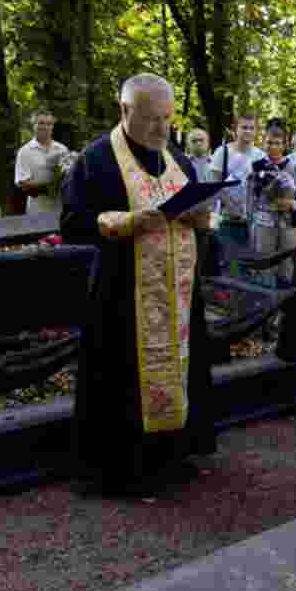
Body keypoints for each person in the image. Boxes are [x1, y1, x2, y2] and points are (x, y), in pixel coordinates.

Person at [60, 73, 217, 495]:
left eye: (168, 118)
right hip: (121, 293)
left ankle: (173, 455)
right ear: (125, 111)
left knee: (179, 370)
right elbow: (72, 223)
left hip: (178, 293)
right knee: (122, 378)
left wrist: (202, 220)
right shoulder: (96, 160)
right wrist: (126, 222)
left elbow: (197, 213)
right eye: (151, 119)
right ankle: (121, 470)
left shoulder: (177, 158)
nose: (162, 129)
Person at [247, 119, 296, 286]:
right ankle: (263, 303)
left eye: (277, 143)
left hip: (288, 225)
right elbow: (250, 197)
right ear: (263, 142)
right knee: (263, 265)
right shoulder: (256, 166)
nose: (273, 147)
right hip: (263, 223)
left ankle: (286, 305)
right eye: (269, 143)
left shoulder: (294, 167)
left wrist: (292, 204)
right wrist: (251, 222)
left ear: (284, 144)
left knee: (287, 266)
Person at [211, 114, 266, 247]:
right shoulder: (222, 152)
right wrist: (233, 208)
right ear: (236, 129)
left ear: (256, 131)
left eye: (252, 128)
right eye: (244, 127)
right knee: (229, 264)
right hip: (226, 220)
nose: (248, 131)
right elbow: (215, 186)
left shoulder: (261, 156)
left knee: (249, 264)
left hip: (252, 222)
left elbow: (262, 188)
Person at [15, 110, 71, 213]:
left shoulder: (62, 149)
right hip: (37, 209)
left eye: (49, 124)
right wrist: (48, 187)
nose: (45, 127)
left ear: (53, 126)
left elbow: (70, 177)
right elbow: (23, 183)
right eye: (41, 123)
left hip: (61, 208)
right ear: (33, 125)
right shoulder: (25, 151)